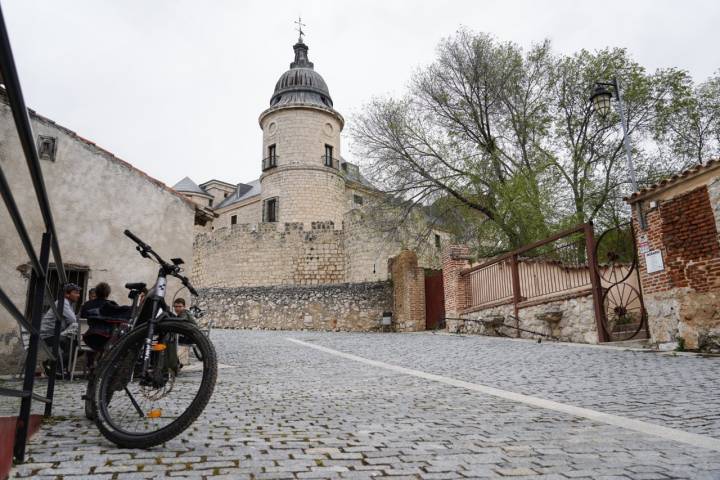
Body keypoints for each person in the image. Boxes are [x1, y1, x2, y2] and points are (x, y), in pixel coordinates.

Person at [40, 283, 81, 375]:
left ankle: (53, 365)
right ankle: (55, 367)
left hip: (54, 334)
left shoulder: (68, 304)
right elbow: (72, 320)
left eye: (78, 293)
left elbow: (73, 320)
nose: (78, 295)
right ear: (67, 294)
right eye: (75, 293)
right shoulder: (62, 303)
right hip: (48, 335)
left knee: (75, 345)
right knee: (75, 346)